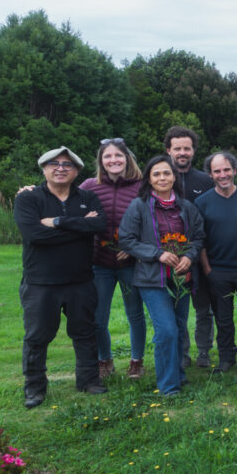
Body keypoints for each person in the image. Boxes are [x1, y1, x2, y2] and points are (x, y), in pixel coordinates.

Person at [14, 146, 107, 408]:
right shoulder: (29, 199)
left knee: (85, 333)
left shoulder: (87, 197)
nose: (60, 168)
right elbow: (34, 235)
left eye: (67, 165)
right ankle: (34, 388)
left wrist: (56, 222)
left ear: (76, 171)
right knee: (37, 337)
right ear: (44, 168)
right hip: (41, 283)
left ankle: (89, 380)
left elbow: (99, 225)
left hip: (81, 281)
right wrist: (80, 227)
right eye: (54, 163)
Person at [118, 155, 204, 397]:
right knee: (165, 330)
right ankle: (168, 386)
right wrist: (157, 254)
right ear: (149, 179)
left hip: (181, 278)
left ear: (174, 177)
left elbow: (198, 238)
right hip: (152, 279)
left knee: (178, 327)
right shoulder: (139, 206)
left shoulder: (186, 207)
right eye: (156, 174)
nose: (162, 178)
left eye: (167, 173)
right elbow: (126, 239)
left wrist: (190, 257)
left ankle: (177, 374)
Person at [78, 138, 147, 381]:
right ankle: (104, 360)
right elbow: (65, 202)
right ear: (101, 161)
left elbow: (151, 223)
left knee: (135, 314)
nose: (113, 160)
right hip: (100, 263)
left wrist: (134, 247)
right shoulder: (89, 185)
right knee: (98, 317)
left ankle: (137, 361)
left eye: (118, 155)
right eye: (108, 156)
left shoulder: (142, 186)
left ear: (127, 158)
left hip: (131, 263)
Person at [194, 152, 237, 373]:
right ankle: (226, 357)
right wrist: (207, 270)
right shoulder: (201, 203)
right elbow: (199, 240)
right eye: (217, 171)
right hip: (217, 270)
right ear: (210, 174)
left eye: (226, 169)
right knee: (223, 318)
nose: (223, 175)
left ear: (235, 170)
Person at [164, 126, 215, 369]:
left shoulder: (205, 180)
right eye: (177, 148)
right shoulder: (160, 177)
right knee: (178, 309)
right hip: (172, 257)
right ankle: (182, 353)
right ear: (168, 150)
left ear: (193, 151)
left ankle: (204, 351)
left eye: (187, 148)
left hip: (202, 252)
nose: (182, 152)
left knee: (204, 308)